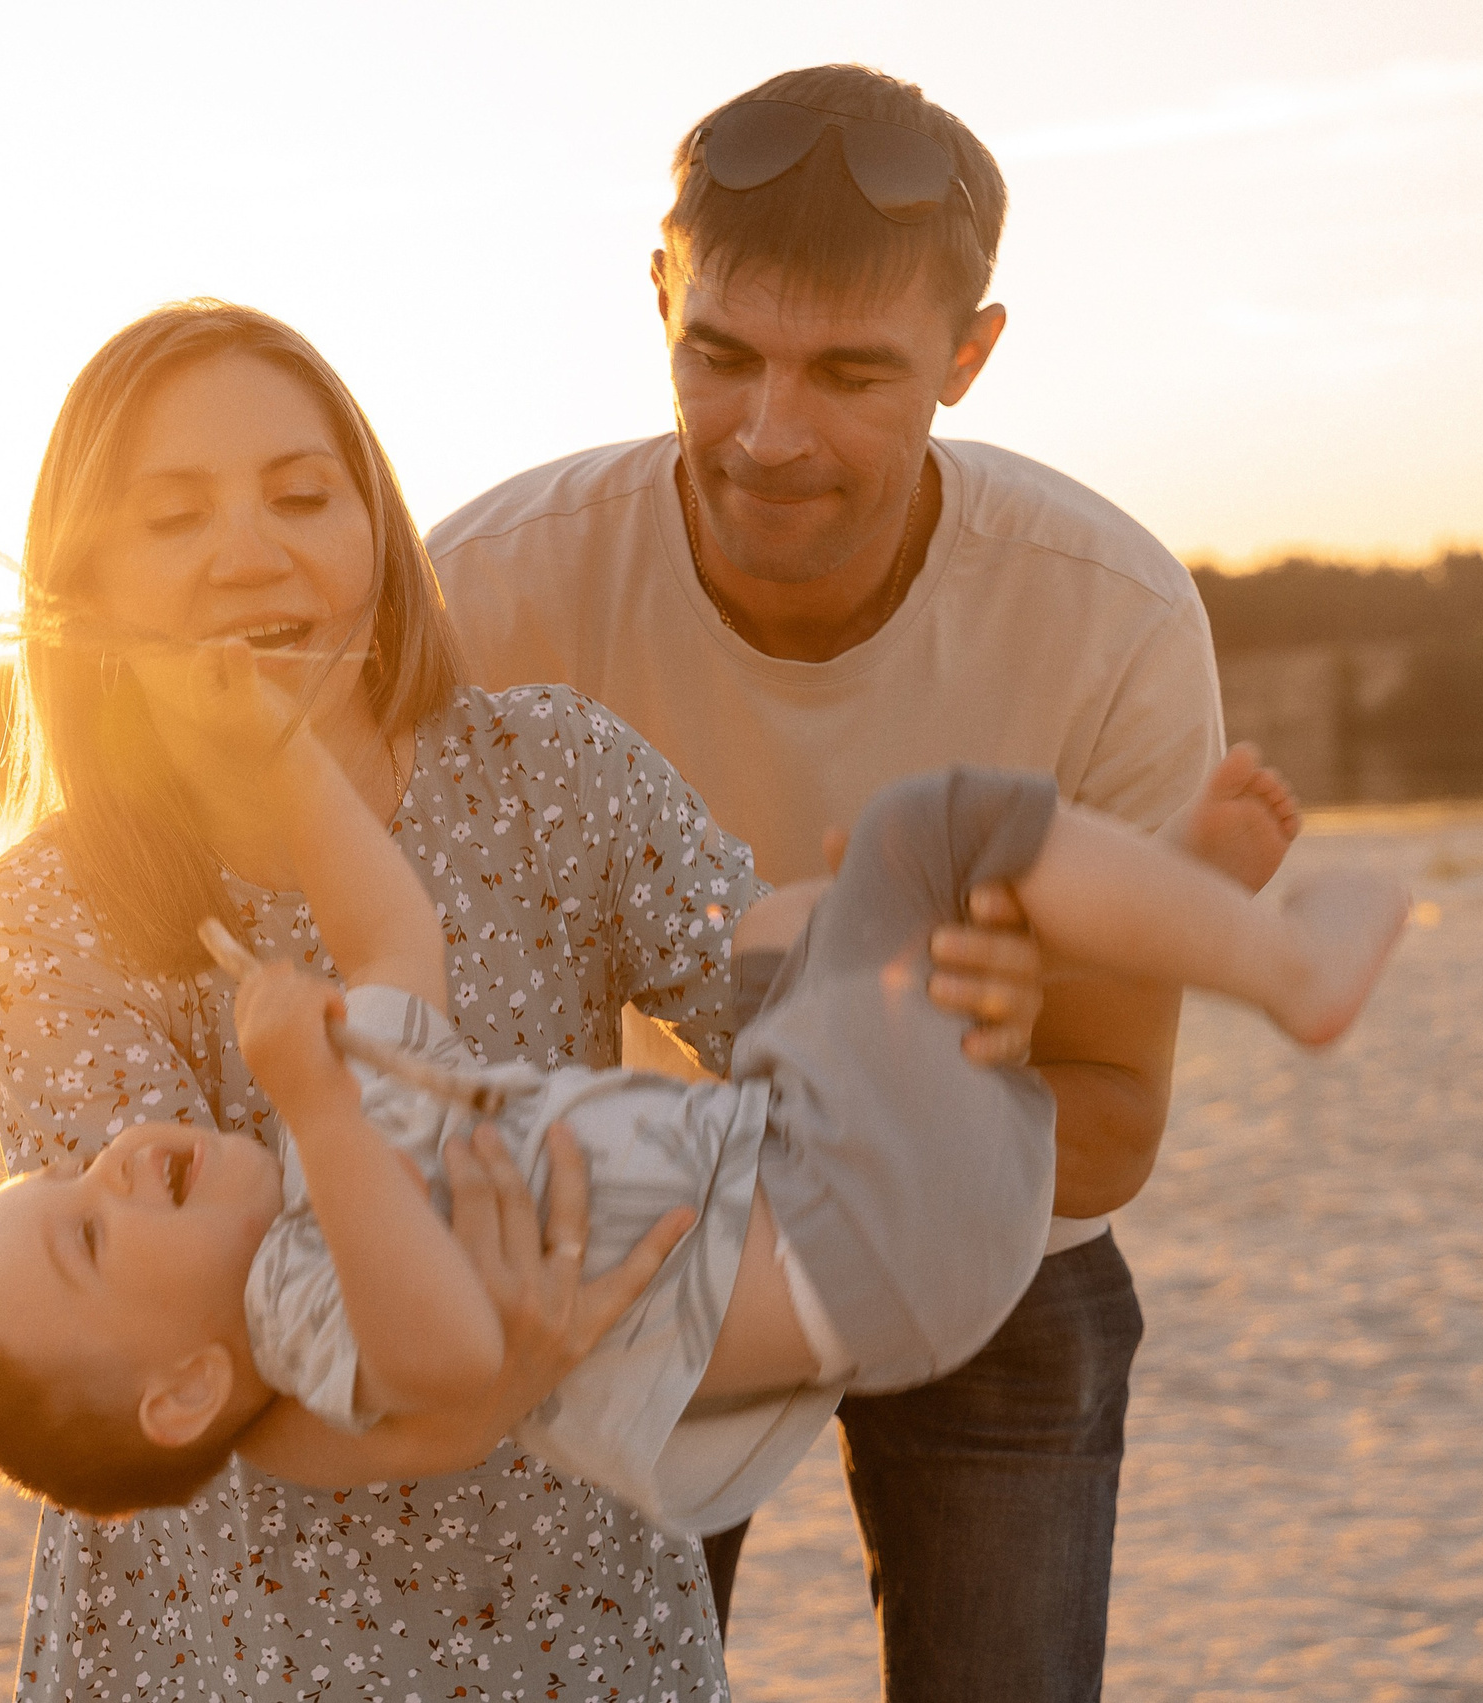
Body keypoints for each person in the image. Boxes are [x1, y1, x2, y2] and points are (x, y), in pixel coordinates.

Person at [0, 297, 1047, 1703]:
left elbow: (790, 1014)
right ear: (90, 583)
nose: (248, 551)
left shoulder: (550, 776)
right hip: (231, 1635)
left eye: (302, 495)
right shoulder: (51, 914)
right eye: (173, 519)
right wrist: (466, 1396)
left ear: (376, 529)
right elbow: (186, 1358)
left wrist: (939, 991)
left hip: (574, 1613)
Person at [0, 638, 1401, 1542]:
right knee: (929, 834)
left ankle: (1151, 908)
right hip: (853, 1228)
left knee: (800, 927)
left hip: (815, 1159)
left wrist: (281, 753)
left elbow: (391, 936)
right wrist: (315, 1107)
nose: (104, 1167)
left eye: (67, 1178)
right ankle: (1276, 963)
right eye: (84, 1236)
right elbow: (451, 1358)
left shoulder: (339, 1167)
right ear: (187, 1388)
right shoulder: (303, 1306)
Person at [428, 63, 1228, 1698]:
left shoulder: (1111, 624)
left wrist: (872, 1133)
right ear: (660, 297)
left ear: (968, 357)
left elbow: (1111, 1122)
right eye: (721, 354)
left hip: (997, 1246)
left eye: (853, 374)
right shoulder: (488, 597)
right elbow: (433, 1062)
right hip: (628, 1238)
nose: (770, 434)